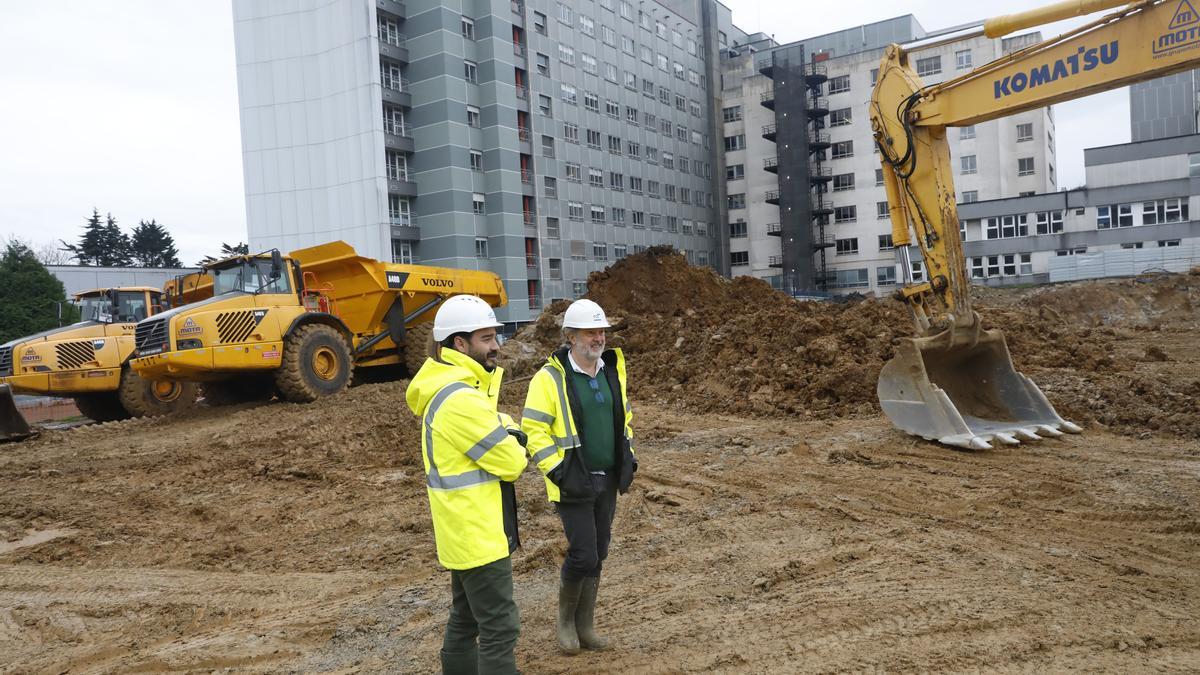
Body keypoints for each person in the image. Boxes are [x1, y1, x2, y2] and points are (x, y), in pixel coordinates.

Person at [406, 294, 529, 675]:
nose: (497, 346)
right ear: (459, 344)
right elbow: (511, 462)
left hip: (462, 528)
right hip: (478, 531)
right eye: (487, 338)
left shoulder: (453, 389)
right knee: (499, 625)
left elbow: (498, 423)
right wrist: (514, 438)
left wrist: (506, 429)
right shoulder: (461, 399)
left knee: (467, 617)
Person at [521, 298, 637, 654]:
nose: (598, 338)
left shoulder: (612, 370)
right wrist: (557, 471)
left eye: (601, 331)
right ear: (570, 336)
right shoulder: (550, 378)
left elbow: (625, 417)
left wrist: (628, 453)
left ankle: (586, 626)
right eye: (590, 332)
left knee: (599, 552)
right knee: (584, 553)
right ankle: (566, 622)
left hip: (607, 477)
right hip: (572, 480)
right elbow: (534, 429)